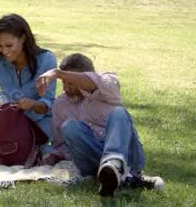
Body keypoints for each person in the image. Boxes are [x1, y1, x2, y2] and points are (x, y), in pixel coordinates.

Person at [36, 53, 163, 197]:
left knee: (119, 113)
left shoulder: (108, 85)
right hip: (93, 162)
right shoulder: (60, 105)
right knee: (70, 127)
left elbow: (98, 82)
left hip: (129, 156)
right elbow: (61, 145)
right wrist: (54, 156)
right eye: (64, 82)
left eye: (71, 82)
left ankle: (115, 165)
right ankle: (125, 176)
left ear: (87, 76)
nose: (66, 87)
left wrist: (57, 73)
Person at [0, 14, 57, 139]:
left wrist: (33, 104)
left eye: (9, 45)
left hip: (40, 127)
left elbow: (49, 104)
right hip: (10, 124)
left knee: (39, 155)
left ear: (23, 38)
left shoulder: (46, 59)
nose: (4, 51)